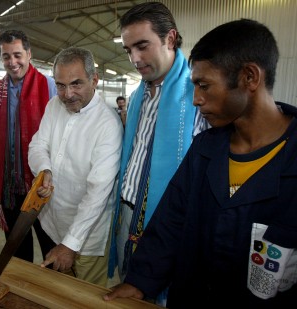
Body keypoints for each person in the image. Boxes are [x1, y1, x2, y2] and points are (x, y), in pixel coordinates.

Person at [104, 18, 297, 308]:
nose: (196, 100)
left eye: (204, 85)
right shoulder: (206, 148)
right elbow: (171, 221)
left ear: (249, 77)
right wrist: (141, 280)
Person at [108, 2, 208, 291]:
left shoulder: (198, 94)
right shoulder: (139, 93)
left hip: (167, 222)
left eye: (142, 46)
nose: (135, 59)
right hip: (126, 212)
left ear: (170, 38)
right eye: (128, 50)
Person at [29, 47, 123, 287]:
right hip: (52, 224)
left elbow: (98, 193)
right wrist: (45, 170)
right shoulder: (53, 106)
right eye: (60, 85)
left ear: (94, 80)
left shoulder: (108, 124)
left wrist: (70, 244)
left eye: (76, 84)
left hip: (86, 238)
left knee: (84, 298)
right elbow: (38, 145)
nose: (67, 94)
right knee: (58, 294)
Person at [0, 29, 57, 262]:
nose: (12, 62)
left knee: (50, 247)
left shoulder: (49, 86)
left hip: (41, 184)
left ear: (29, 54)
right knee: (17, 252)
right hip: (9, 188)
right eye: (6, 56)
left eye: (17, 55)